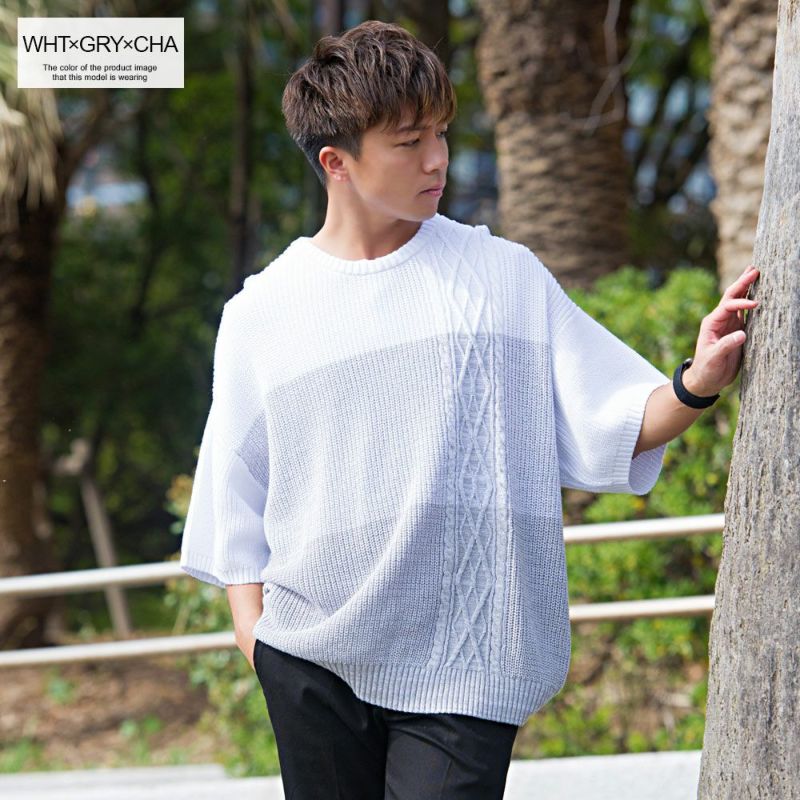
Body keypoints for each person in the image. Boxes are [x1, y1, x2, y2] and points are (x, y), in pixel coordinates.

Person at [179, 19, 760, 800]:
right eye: (409, 141)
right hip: (310, 661)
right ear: (335, 162)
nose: (437, 159)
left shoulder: (500, 277)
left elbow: (614, 413)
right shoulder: (262, 312)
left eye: (442, 134)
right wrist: (258, 641)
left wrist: (698, 379)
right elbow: (234, 497)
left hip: (470, 661)